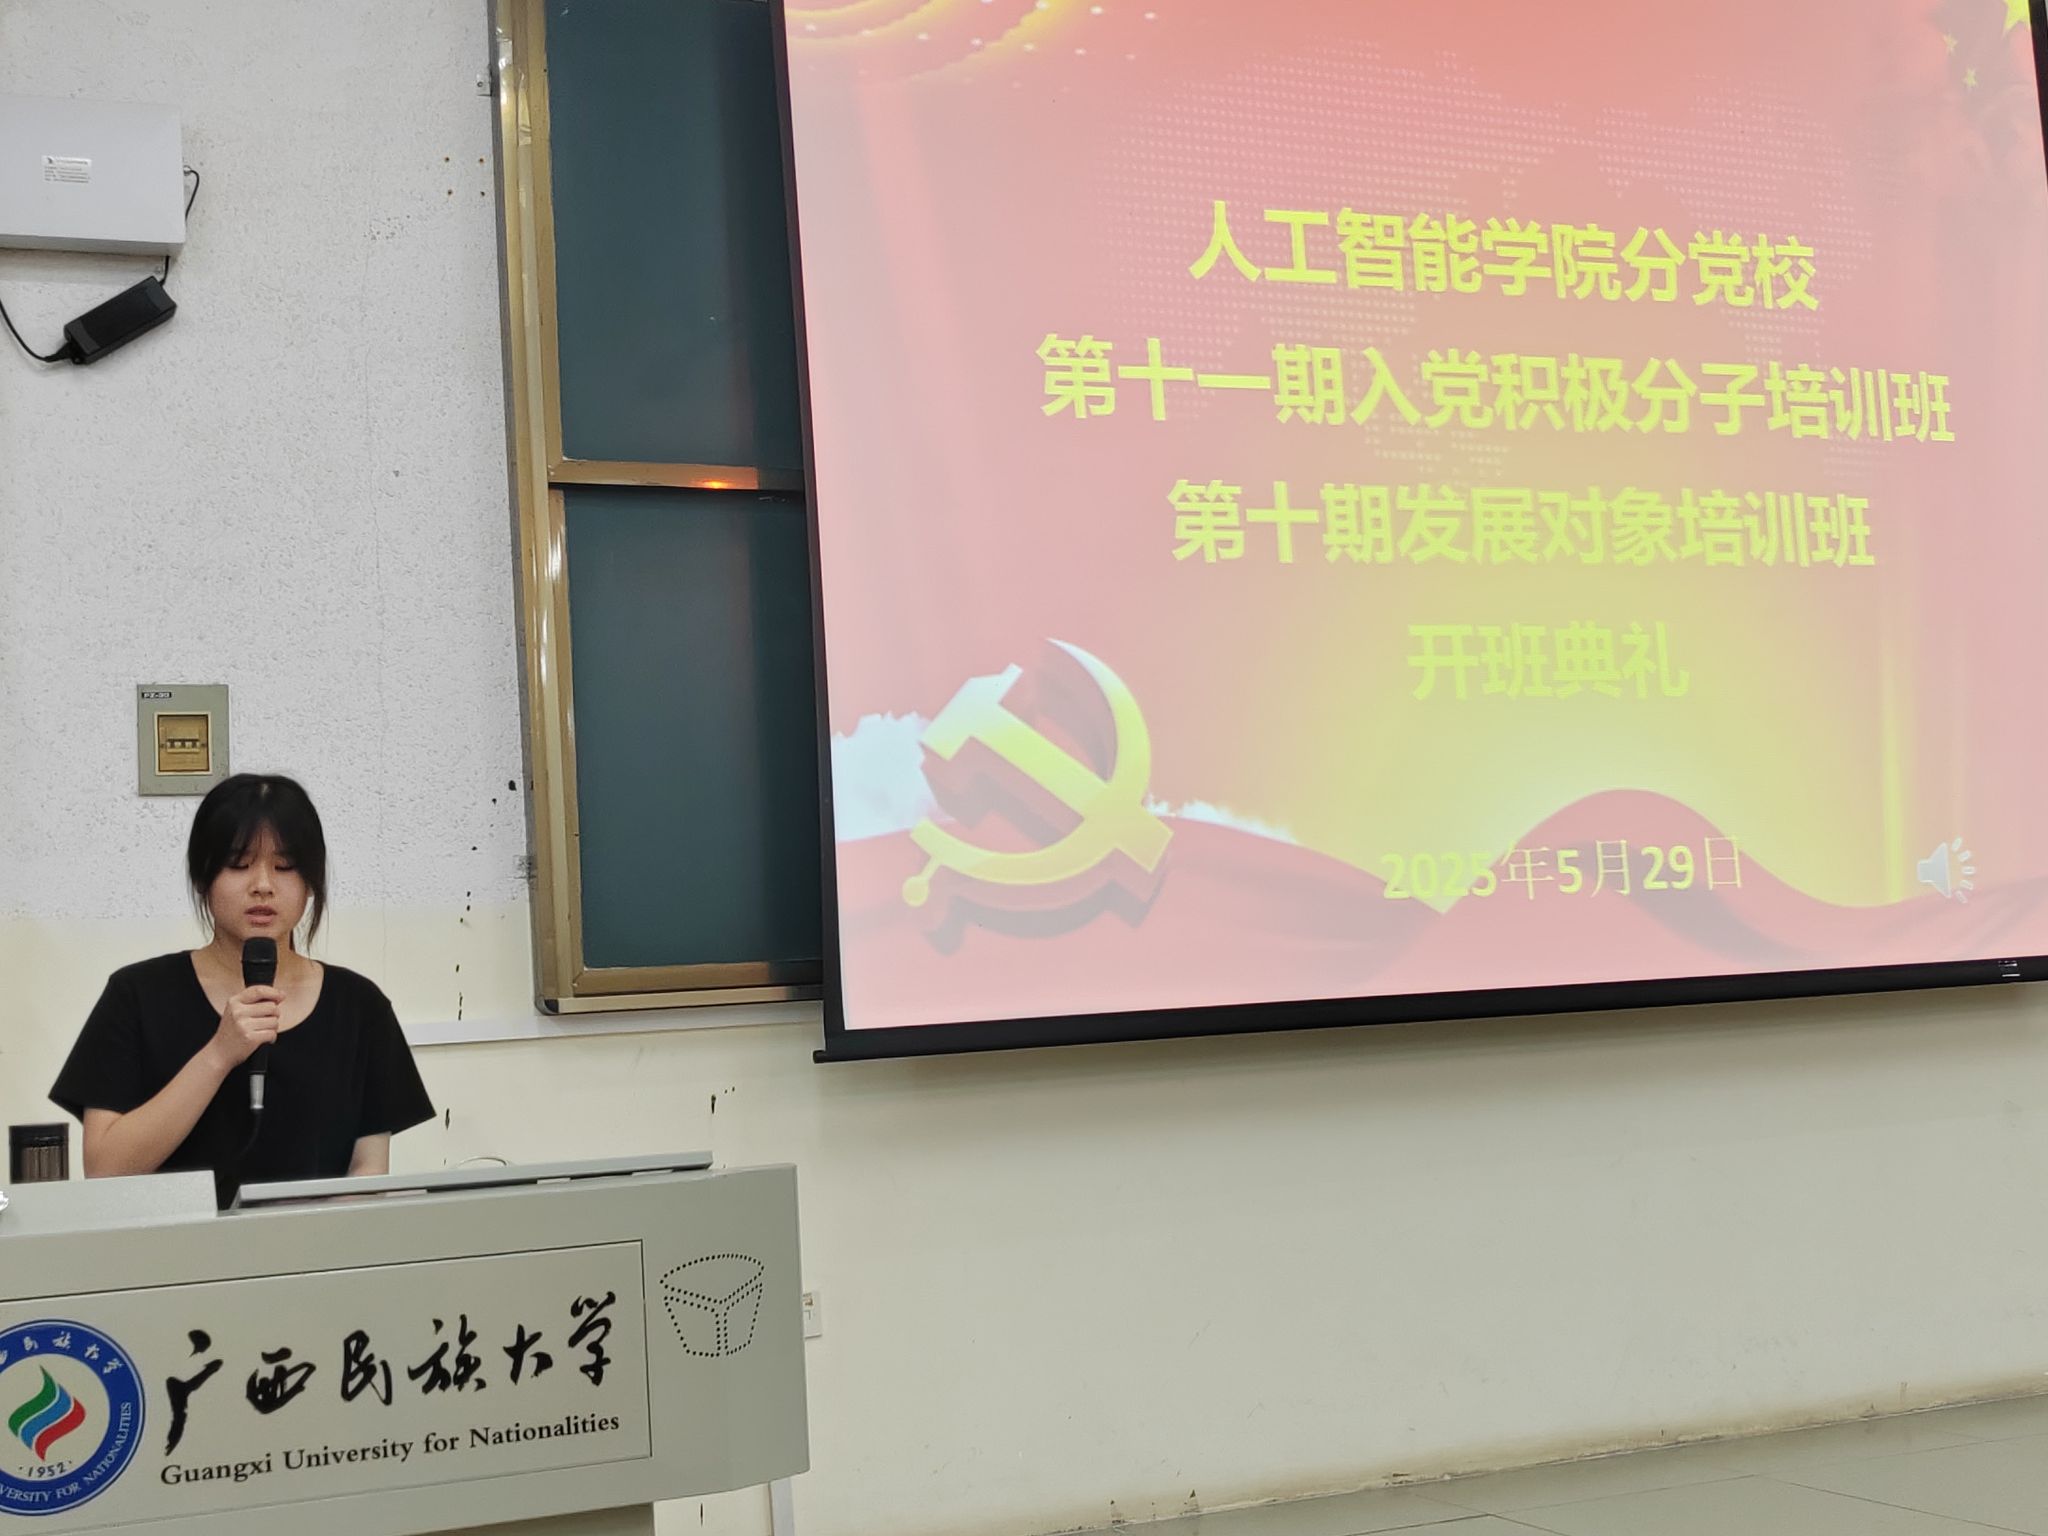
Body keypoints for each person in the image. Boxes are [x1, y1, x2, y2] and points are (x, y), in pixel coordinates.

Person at [50, 773, 434, 1208]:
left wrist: (311, 1239)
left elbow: (369, 1171)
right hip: (173, 1248)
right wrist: (219, 1054)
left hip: (314, 1246)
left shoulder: (359, 1006)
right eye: (238, 864)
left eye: (285, 867)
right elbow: (105, 1169)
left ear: (311, 881)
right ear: (203, 876)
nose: (263, 885)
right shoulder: (136, 995)